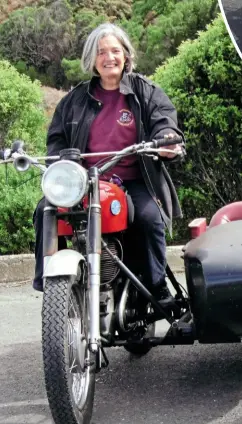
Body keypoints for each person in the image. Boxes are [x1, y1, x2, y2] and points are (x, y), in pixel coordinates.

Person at [33, 23, 185, 303]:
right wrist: (61, 159)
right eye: (101, 52)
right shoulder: (73, 100)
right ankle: (51, 287)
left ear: (126, 55)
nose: (109, 57)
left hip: (135, 181)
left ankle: (156, 285)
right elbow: (56, 139)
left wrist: (166, 140)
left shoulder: (145, 92)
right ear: (92, 59)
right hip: (86, 182)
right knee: (46, 209)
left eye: (115, 50)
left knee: (150, 218)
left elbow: (165, 123)